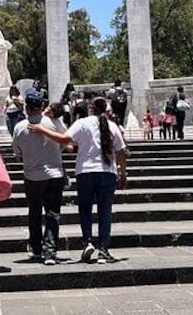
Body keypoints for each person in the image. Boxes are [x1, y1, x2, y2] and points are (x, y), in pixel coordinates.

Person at [29, 97, 127, 263]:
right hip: (107, 172)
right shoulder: (112, 126)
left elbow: (64, 139)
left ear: (90, 108)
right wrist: (122, 173)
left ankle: (87, 241)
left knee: (85, 210)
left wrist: (41, 130)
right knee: (105, 212)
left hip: (85, 171)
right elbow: (121, 152)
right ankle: (103, 249)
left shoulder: (82, 123)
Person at [12, 95, 67, 265]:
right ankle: (50, 252)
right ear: (42, 105)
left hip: (32, 176)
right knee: (53, 213)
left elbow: (18, 155)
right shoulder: (53, 123)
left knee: (34, 212)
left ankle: (36, 249)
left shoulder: (19, 127)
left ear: (26, 107)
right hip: (54, 174)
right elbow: (65, 142)